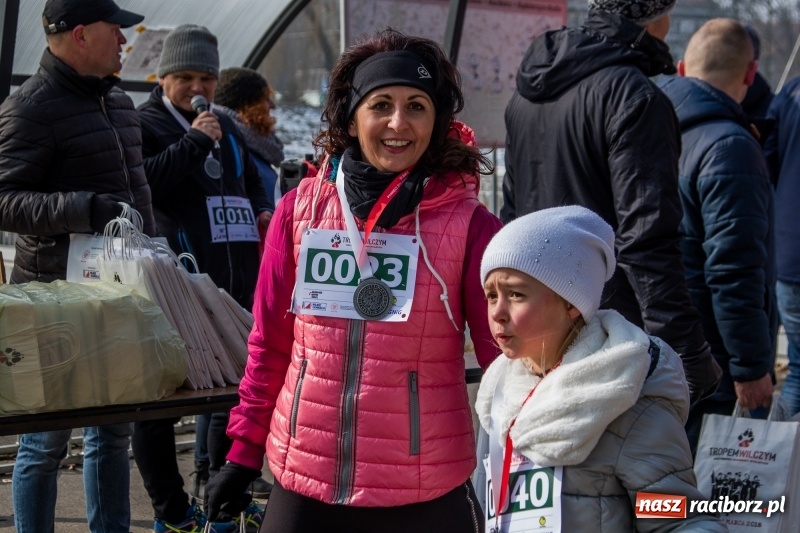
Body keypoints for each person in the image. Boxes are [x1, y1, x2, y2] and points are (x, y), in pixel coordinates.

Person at [204, 28, 504, 533]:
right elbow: (270, 344)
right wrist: (243, 453)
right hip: (305, 481)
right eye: (381, 104)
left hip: (424, 488)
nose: (397, 123)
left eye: (417, 107)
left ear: (438, 121)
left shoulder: (469, 225)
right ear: (351, 116)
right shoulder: (299, 212)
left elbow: (505, 357)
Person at [500, 0, 722, 408]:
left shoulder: (527, 95)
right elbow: (647, 242)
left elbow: (512, 221)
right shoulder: (635, 96)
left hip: (543, 327)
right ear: (658, 17)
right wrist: (686, 353)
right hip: (613, 337)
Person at [475, 205, 727, 532]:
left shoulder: (623, 395)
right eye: (491, 295)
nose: (497, 312)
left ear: (571, 303)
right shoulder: (498, 390)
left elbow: (677, 519)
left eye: (516, 294)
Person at [0, 1, 151, 531]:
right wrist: (83, 209)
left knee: (112, 434)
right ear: (81, 34)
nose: (125, 43)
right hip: (52, 300)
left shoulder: (119, 102)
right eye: (117, 31)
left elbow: (138, 190)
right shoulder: (31, 107)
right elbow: (4, 199)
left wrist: (155, 255)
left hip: (117, 292)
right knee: (45, 440)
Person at [131, 24, 272, 533]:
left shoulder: (226, 126)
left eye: (207, 78)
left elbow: (251, 181)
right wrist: (193, 141)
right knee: (162, 403)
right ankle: (171, 512)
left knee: (233, 391)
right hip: (177, 287)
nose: (198, 88)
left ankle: (220, 494)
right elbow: (146, 184)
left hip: (233, 283)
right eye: (186, 77)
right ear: (163, 77)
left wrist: (260, 211)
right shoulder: (145, 122)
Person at [660, 18, 778, 453]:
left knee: (662, 473)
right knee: (706, 480)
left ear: (682, 67)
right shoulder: (730, 148)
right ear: (751, 73)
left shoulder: (648, 129)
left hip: (659, 338)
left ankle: (659, 518)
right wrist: (750, 367)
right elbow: (734, 268)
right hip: (714, 357)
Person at [764, 67, 800, 418]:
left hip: (789, 255)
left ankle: (782, 461)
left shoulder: (789, 95)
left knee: (798, 369)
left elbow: (766, 163)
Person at [214, 67, 285, 209]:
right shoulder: (228, 147)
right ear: (246, 106)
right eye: (265, 99)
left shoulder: (255, 148)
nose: (272, 105)